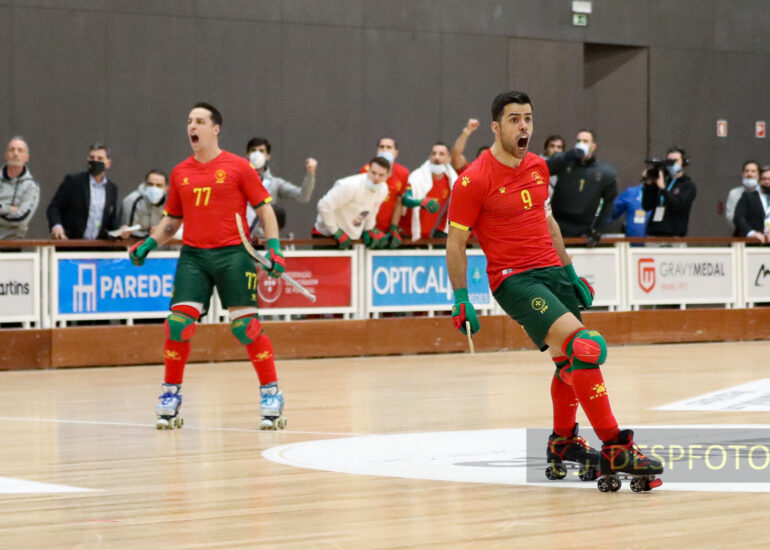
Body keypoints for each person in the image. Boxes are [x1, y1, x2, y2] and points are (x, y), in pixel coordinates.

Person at [446, 90, 663, 490]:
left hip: (553, 272)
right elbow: (455, 243)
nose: (524, 126)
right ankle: (615, 446)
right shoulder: (473, 179)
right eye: (514, 119)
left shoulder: (538, 167)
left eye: (528, 118)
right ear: (496, 127)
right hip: (515, 279)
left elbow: (549, 223)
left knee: (568, 365)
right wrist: (461, 298)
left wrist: (570, 272)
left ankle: (563, 443)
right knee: (587, 347)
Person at [128, 103, 287, 431]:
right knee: (177, 325)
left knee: (246, 327)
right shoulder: (180, 172)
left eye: (199, 121)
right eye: (189, 121)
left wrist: (274, 248)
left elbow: (265, 210)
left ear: (215, 129)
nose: (192, 126)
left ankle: (271, 394)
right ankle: (170, 395)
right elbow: (172, 221)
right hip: (194, 257)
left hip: (234, 255)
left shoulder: (239, 167)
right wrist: (148, 244)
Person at [547, 130, 617, 244]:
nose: (581, 144)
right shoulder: (564, 162)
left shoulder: (604, 172)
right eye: (578, 141)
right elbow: (545, 169)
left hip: (584, 228)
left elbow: (609, 202)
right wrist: (568, 156)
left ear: (593, 146)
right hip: (558, 224)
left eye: (585, 141)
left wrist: (598, 228)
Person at [244, 136, 317, 238]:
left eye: (261, 151)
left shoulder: (275, 183)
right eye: (253, 150)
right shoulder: (238, 180)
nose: (257, 154)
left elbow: (302, 197)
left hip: (265, 239)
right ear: (247, 155)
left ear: (268, 156)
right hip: (240, 237)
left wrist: (310, 174)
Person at [312, 157, 390, 249]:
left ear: (387, 176)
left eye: (381, 175)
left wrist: (368, 228)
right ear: (368, 171)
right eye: (373, 173)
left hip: (350, 239)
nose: (376, 178)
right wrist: (335, 231)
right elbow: (324, 205)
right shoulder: (351, 185)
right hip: (326, 236)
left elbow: (371, 211)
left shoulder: (383, 190)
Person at [46, 143, 120, 240]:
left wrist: (120, 231)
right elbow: (54, 207)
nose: (95, 161)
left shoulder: (112, 188)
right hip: (71, 243)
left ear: (108, 163)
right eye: (92, 158)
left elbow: (111, 220)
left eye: (100, 158)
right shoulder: (74, 182)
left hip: (98, 245)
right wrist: (56, 226)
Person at [401, 143, 458, 241]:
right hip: (405, 234)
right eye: (434, 153)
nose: (436, 157)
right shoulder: (416, 177)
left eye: (441, 154)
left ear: (449, 159)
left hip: (426, 236)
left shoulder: (451, 181)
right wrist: (420, 202)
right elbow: (405, 199)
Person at [359, 137, 410, 248]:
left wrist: (393, 227)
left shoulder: (403, 173)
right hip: (365, 229)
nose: (384, 150)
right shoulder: (366, 170)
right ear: (377, 150)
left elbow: (398, 202)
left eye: (388, 147)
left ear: (396, 153)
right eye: (381, 147)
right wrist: (365, 227)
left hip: (386, 230)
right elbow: (361, 202)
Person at [641, 147, 697, 237]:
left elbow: (677, 205)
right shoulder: (662, 180)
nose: (672, 164)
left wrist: (663, 189)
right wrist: (649, 185)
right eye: (669, 161)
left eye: (675, 161)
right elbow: (646, 206)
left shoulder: (687, 185)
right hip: (654, 234)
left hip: (674, 235)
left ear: (683, 163)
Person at [0, 136, 39, 239]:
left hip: (11, 242)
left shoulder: (31, 186)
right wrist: (9, 209)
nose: (15, 153)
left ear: (27, 158)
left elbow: (21, 219)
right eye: (12, 150)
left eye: (20, 150)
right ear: (6, 155)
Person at [120, 169, 169, 239]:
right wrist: (150, 233)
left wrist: (162, 232)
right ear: (145, 185)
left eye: (159, 186)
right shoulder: (131, 200)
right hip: (135, 243)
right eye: (150, 184)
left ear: (166, 189)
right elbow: (126, 231)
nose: (154, 188)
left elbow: (175, 228)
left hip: (160, 243)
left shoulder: (169, 204)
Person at [733, 166, 770, 243]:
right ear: (759, 180)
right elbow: (739, 218)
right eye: (764, 179)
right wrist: (751, 233)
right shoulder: (748, 197)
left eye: (769, 179)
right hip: (754, 242)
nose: (767, 182)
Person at [725, 160, 760, 229]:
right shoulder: (734, 193)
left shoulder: (765, 193)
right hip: (741, 232)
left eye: (753, 171)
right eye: (746, 171)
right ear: (743, 174)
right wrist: (748, 230)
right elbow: (730, 217)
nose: (749, 174)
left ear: (759, 175)